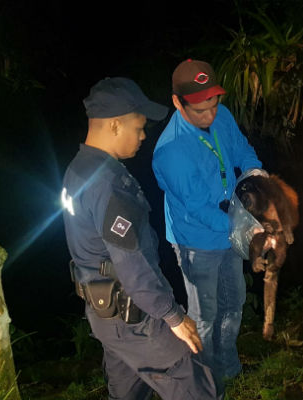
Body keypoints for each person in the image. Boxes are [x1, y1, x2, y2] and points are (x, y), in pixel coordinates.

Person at [61, 77, 217, 400]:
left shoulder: (78, 169)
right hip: (136, 317)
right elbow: (132, 266)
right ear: (115, 125)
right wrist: (173, 316)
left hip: (105, 317)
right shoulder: (108, 184)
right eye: (139, 126)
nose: (144, 136)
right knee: (194, 382)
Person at [152, 59, 263, 392]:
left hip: (232, 226)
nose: (210, 116)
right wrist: (246, 229)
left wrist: (257, 174)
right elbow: (199, 209)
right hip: (195, 242)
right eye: (200, 111)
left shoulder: (222, 115)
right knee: (204, 315)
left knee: (235, 301)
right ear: (177, 102)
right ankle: (203, 380)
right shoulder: (170, 151)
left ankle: (228, 365)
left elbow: (242, 149)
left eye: (213, 105)